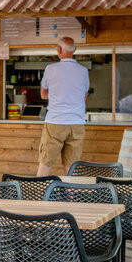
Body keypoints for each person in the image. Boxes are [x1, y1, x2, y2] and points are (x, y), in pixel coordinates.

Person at [36, 36, 90, 176]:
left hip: (55, 122)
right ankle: (72, 198)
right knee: (72, 169)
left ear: (59, 50)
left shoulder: (51, 68)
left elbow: (43, 95)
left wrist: (57, 96)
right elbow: (84, 98)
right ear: (75, 50)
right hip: (76, 123)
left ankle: (38, 197)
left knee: (45, 164)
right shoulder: (83, 71)